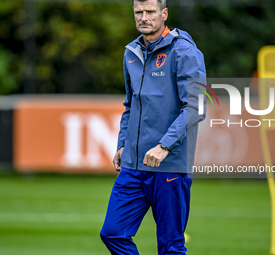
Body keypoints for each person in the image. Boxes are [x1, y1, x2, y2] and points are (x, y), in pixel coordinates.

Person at [100, 0, 206, 254]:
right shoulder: (131, 53)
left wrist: (164, 145)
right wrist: (122, 144)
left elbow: (196, 107)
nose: (144, 17)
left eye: (150, 11)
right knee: (113, 233)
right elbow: (130, 105)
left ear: (164, 14)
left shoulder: (186, 52)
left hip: (169, 164)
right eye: (139, 12)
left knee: (170, 246)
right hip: (134, 165)